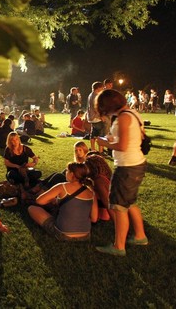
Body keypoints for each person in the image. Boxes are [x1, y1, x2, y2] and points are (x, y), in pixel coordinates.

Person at [95, 89, 148, 256]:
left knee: (119, 207)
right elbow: (134, 138)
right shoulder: (132, 113)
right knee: (130, 202)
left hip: (127, 166)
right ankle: (140, 236)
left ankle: (119, 247)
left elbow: (122, 146)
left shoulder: (124, 117)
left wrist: (102, 143)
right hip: (136, 163)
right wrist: (110, 139)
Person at [27, 162, 98, 241]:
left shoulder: (62, 186)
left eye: (67, 170)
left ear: (72, 174)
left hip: (63, 234)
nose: (65, 172)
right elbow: (94, 219)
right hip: (85, 235)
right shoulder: (91, 193)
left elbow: (39, 201)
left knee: (32, 209)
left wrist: (53, 200)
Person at [87, 81, 105, 153]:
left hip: (92, 117)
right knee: (101, 134)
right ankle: (100, 151)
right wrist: (101, 116)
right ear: (98, 88)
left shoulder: (91, 95)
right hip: (96, 117)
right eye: (102, 88)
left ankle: (93, 149)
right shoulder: (95, 96)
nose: (103, 89)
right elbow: (96, 108)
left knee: (93, 133)